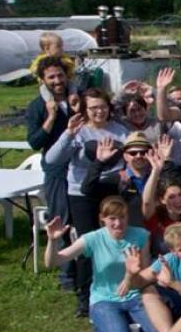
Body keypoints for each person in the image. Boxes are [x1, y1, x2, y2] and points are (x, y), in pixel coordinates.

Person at [45, 88, 131, 317]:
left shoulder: (120, 131)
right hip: (81, 194)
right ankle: (84, 296)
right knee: (88, 243)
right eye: (93, 108)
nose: (98, 111)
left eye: (102, 106)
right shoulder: (79, 133)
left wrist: (127, 172)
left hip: (111, 192)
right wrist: (68, 134)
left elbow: (129, 159)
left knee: (114, 241)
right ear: (85, 110)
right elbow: (51, 159)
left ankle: (115, 286)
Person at [42, 197, 156, 332]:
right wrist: (52, 240)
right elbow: (53, 262)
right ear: (103, 219)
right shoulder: (93, 239)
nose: (118, 223)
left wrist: (130, 277)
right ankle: (102, 323)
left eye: (122, 217)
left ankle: (125, 322)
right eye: (112, 218)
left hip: (134, 295)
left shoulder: (141, 236)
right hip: (105, 299)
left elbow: (146, 274)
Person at [25, 56, 75, 292]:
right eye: (51, 77)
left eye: (60, 75)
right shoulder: (37, 106)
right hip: (57, 172)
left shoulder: (77, 98)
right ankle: (67, 276)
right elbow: (34, 142)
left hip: (81, 167)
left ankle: (87, 269)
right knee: (61, 222)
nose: (57, 81)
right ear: (43, 80)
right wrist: (51, 117)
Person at [81, 132, 155, 226]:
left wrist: (165, 160)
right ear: (125, 156)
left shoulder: (157, 178)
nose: (138, 156)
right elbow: (87, 189)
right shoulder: (116, 180)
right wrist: (99, 162)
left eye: (143, 152)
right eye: (133, 153)